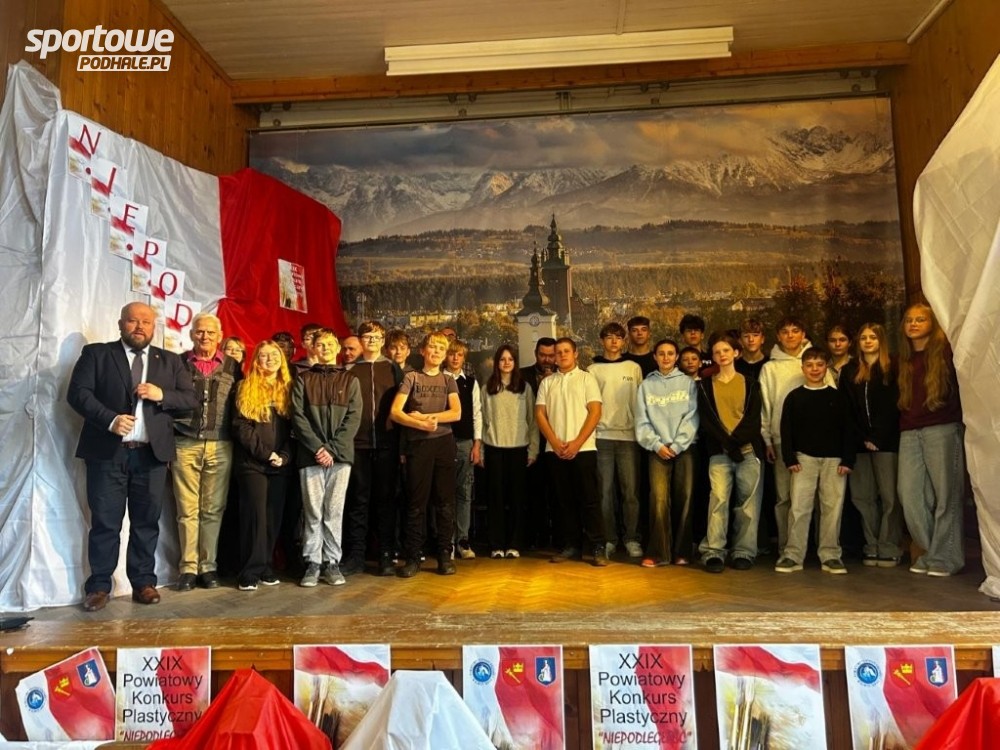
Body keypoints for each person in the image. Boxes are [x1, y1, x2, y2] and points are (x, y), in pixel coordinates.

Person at [67, 301, 197, 611]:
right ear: (120, 323)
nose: (139, 327)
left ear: (154, 327)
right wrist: (110, 420)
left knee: (146, 522)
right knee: (105, 523)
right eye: (133, 321)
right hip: (107, 455)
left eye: (146, 322)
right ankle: (99, 586)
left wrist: (162, 395)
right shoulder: (97, 354)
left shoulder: (170, 361)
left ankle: (143, 582)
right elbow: (78, 394)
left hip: (151, 456)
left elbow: (191, 399)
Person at [172, 312, 243, 591]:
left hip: (221, 444)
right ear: (191, 334)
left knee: (213, 509)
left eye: (211, 333)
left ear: (220, 337)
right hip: (184, 442)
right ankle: (188, 568)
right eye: (200, 331)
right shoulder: (177, 364)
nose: (205, 337)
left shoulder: (233, 367)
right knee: (186, 510)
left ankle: (208, 567)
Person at [897, 302, 965, 577]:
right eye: (909, 320)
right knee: (909, 496)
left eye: (920, 319)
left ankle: (946, 558)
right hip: (909, 432)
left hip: (942, 428)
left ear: (932, 323)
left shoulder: (947, 353)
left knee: (947, 495)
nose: (913, 324)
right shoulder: (903, 360)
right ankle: (929, 551)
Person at [291, 329, 363, 587]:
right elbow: (298, 417)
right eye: (320, 344)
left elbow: (353, 418)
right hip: (309, 455)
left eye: (330, 344)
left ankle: (332, 562)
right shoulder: (303, 379)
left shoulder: (350, 380)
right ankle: (312, 562)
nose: (325, 348)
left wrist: (331, 449)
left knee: (334, 510)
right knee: (312, 510)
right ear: (313, 349)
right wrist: (317, 448)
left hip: (339, 457)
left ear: (337, 348)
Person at [775, 347, 855, 574]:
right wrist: (789, 457)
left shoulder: (838, 397)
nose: (815, 369)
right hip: (804, 459)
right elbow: (786, 430)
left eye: (819, 365)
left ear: (826, 367)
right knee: (799, 508)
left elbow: (849, 429)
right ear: (802, 368)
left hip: (834, 460)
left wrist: (847, 459)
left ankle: (830, 555)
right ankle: (793, 555)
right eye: (809, 365)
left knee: (832, 508)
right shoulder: (794, 397)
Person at [390, 331, 462, 577]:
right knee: (415, 504)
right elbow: (396, 412)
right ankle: (413, 558)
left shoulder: (448, 380)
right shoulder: (411, 377)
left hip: (443, 444)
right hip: (418, 445)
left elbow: (456, 413)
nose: (436, 352)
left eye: (441, 349)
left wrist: (428, 418)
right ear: (422, 351)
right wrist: (419, 424)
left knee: (444, 503)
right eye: (432, 347)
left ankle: (444, 556)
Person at [759, 316, 833, 553]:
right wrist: (767, 439)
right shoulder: (770, 368)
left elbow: (833, 401)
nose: (790, 335)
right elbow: (765, 406)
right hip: (782, 441)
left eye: (795, 331)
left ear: (803, 334)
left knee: (819, 499)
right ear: (778, 336)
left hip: (818, 442)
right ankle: (787, 548)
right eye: (785, 332)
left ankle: (821, 548)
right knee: (784, 497)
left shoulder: (816, 361)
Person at [535, 337, 607, 566]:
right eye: (558, 352)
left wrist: (576, 443)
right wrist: (555, 442)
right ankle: (571, 545)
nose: (562, 355)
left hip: (583, 449)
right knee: (563, 501)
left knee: (589, 500)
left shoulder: (587, 379)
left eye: (566, 351)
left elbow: (595, 412)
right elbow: (540, 414)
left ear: (575, 354)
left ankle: (598, 546)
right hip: (555, 450)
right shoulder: (547, 383)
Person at [696, 333, 764, 573]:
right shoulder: (704, 386)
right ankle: (714, 551)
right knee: (718, 500)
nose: (721, 355)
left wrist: (734, 444)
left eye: (726, 350)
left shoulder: (751, 383)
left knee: (747, 505)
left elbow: (753, 420)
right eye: (717, 352)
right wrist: (727, 445)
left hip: (747, 452)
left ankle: (744, 551)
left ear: (736, 353)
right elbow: (708, 422)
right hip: (719, 452)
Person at [231, 340, 295, 590]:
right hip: (252, 463)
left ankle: (266, 565)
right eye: (264, 355)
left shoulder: (288, 388)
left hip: (280, 464)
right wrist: (267, 454)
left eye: (275, 355)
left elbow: (294, 429)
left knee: (272, 517)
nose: (270, 359)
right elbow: (241, 427)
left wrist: (284, 456)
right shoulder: (244, 387)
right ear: (256, 360)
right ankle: (249, 571)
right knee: (254, 516)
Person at [343, 321, 403, 576]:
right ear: (360, 340)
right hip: (358, 445)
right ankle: (356, 555)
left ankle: (386, 555)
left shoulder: (393, 368)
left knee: (386, 501)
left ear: (382, 340)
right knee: (358, 500)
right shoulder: (349, 370)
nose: (372, 341)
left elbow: (403, 405)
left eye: (376, 337)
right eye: (367, 337)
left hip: (387, 444)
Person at [840, 323, 903, 567]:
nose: (867, 341)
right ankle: (871, 544)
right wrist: (861, 438)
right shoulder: (849, 370)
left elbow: (893, 406)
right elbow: (847, 410)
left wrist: (877, 437)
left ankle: (889, 545)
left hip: (887, 443)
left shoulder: (892, 368)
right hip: (859, 445)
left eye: (873, 337)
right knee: (862, 497)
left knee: (889, 497)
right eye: (863, 337)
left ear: (881, 340)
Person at [634, 339, 699, 567]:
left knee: (685, 498)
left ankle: (682, 551)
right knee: (658, 499)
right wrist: (656, 445)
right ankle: (658, 552)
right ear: (655, 357)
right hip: (657, 450)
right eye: (661, 353)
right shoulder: (646, 385)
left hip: (685, 448)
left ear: (676, 356)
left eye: (670, 353)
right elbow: (641, 420)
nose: (666, 358)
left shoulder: (688, 384)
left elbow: (693, 417)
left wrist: (677, 445)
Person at [589, 322, 643, 559]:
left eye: (618, 338)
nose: (613, 341)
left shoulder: (633, 367)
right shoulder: (593, 370)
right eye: (609, 337)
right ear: (602, 340)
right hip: (602, 437)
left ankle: (631, 538)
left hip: (629, 437)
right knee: (604, 493)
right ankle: (609, 539)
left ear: (623, 341)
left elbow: (640, 403)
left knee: (630, 492)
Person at [479, 344, 538, 559]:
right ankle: (496, 545)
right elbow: (481, 421)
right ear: (497, 363)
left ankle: (514, 544)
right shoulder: (487, 388)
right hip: (494, 449)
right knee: (495, 499)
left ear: (515, 363)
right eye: (502, 359)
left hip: (519, 450)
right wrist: (481, 451)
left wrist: (533, 450)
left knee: (517, 500)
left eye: (510, 359)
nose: (506, 363)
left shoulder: (524, 388)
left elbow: (533, 421)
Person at [444, 339, 482, 559]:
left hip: (465, 442)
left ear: (464, 358)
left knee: (464, 492)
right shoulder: (438, 380)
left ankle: (462, 540)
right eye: (452, 354)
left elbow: (477, 414)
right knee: (444, 493)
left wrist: (477, 444)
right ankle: (446, 542)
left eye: (459, 355)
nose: (455, 358)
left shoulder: (470, 383)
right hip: (443, 441)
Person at [520, 337, 557, 548]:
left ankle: (559, 538)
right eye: (543, 355)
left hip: (558, 440)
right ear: (536, 354)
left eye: (551, 355)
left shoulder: (563, 375)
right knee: (533, 492)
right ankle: (534, 536)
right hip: (530, 441)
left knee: (558, 492)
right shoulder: (522, 375)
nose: (547, 359)